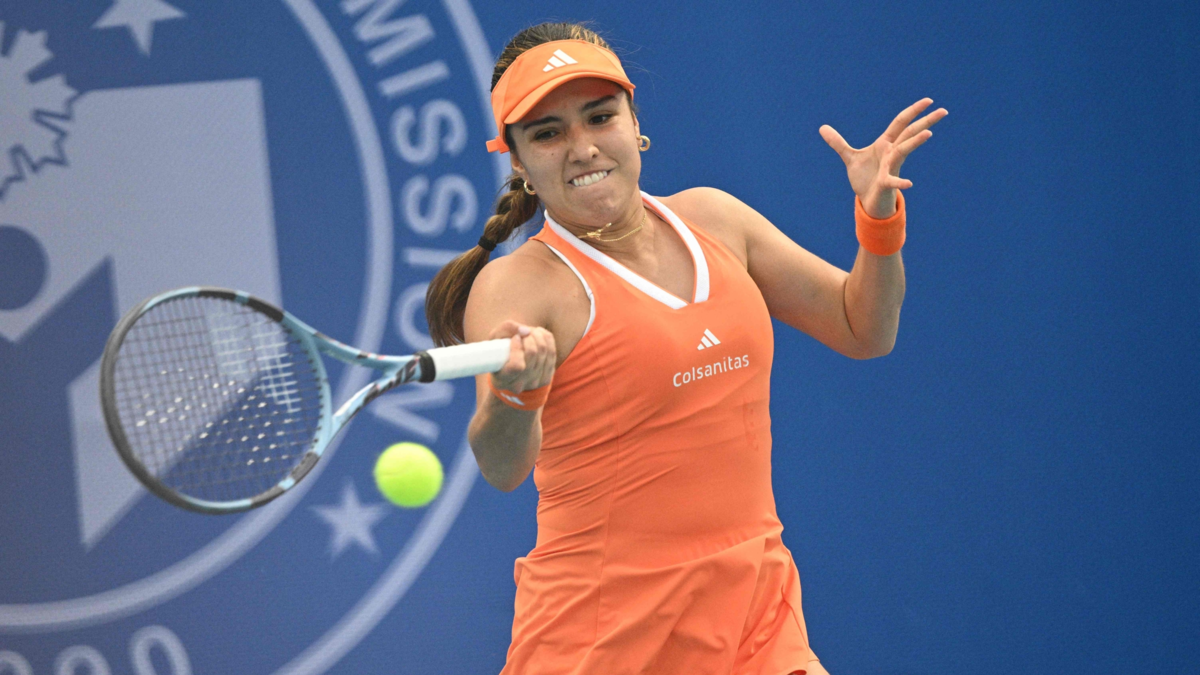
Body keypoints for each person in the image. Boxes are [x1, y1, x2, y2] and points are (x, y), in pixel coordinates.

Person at [425, 21, 946, 675]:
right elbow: (502, 465)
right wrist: (515, 391)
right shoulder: (518, 286)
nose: (582, 147)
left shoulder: (716, 218)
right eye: (549, 132)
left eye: (599, 116)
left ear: (634, 121)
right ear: (520, 163)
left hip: (758, 620)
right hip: (603, 639)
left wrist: (878, 224)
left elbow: (862, 327)